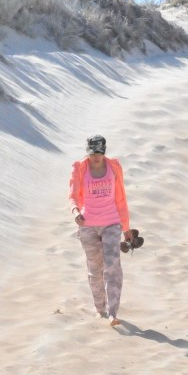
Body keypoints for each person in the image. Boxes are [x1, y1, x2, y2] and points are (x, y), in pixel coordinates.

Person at [69, 134, 134, 326]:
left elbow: (121, 198)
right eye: (92, 152)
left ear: (104, 151)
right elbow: (72, 195)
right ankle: (100, 308)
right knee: (95, 268)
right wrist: (75, 212)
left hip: (112, 222)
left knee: (112, 266)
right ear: (87, 152)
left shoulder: (113, 167)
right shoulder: (80, 169)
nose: (96, 156)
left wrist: (126, 228)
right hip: (88, 224)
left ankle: (113, 312)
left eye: (99, 152)